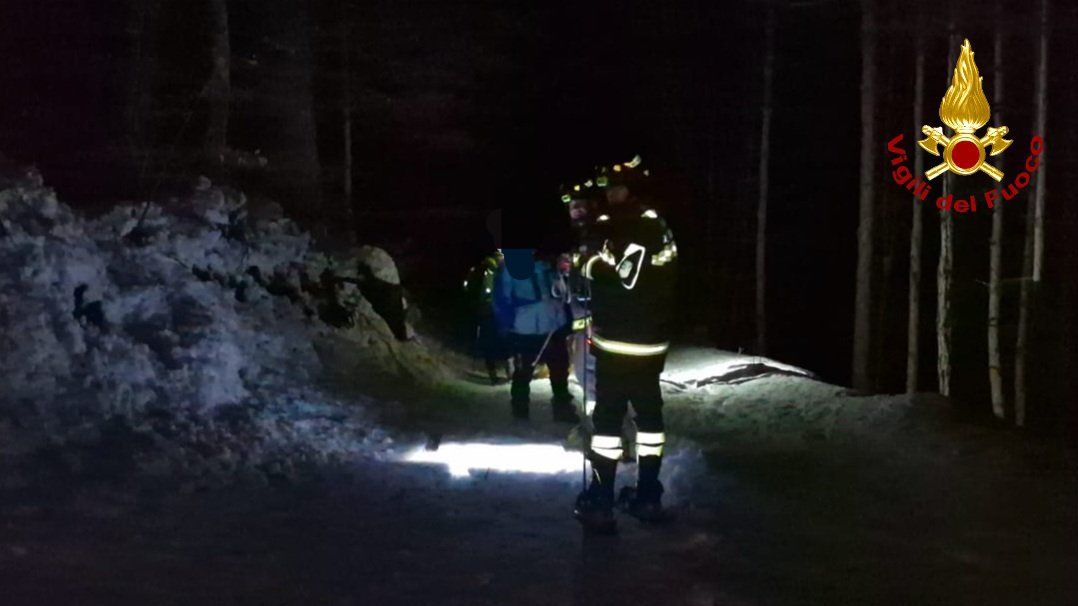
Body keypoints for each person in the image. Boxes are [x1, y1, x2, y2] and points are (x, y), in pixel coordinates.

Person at [574, 175, 678, 533]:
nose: (609, 194)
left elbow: (624, 275)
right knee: (649, 418)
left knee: (608, 421)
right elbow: (666, 276)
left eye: (615, 188)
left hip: (619, 342)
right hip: (652, 341)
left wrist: (588, 263)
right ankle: (648, 495)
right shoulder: (658, 226)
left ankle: (601, 501)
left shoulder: (629, 226)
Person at [492, 248, 579, 422]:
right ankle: (520, 409)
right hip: (525, 329)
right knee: (524, 371)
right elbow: (502, 299)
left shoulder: (550, 267)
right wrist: (506, 325)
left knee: (560, 369)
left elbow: (562, 295)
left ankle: (562, 408)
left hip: (553, 327)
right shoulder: (511, 269)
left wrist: (566, 319)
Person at [464, 250, 511, 384]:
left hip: (481, 310)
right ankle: (504, 374)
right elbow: (489, 291)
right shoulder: (491, 271)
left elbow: (468, 288)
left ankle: (494, 374)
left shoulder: (481, 267)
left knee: (488, 342)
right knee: (502, 339)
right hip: (491, 310)